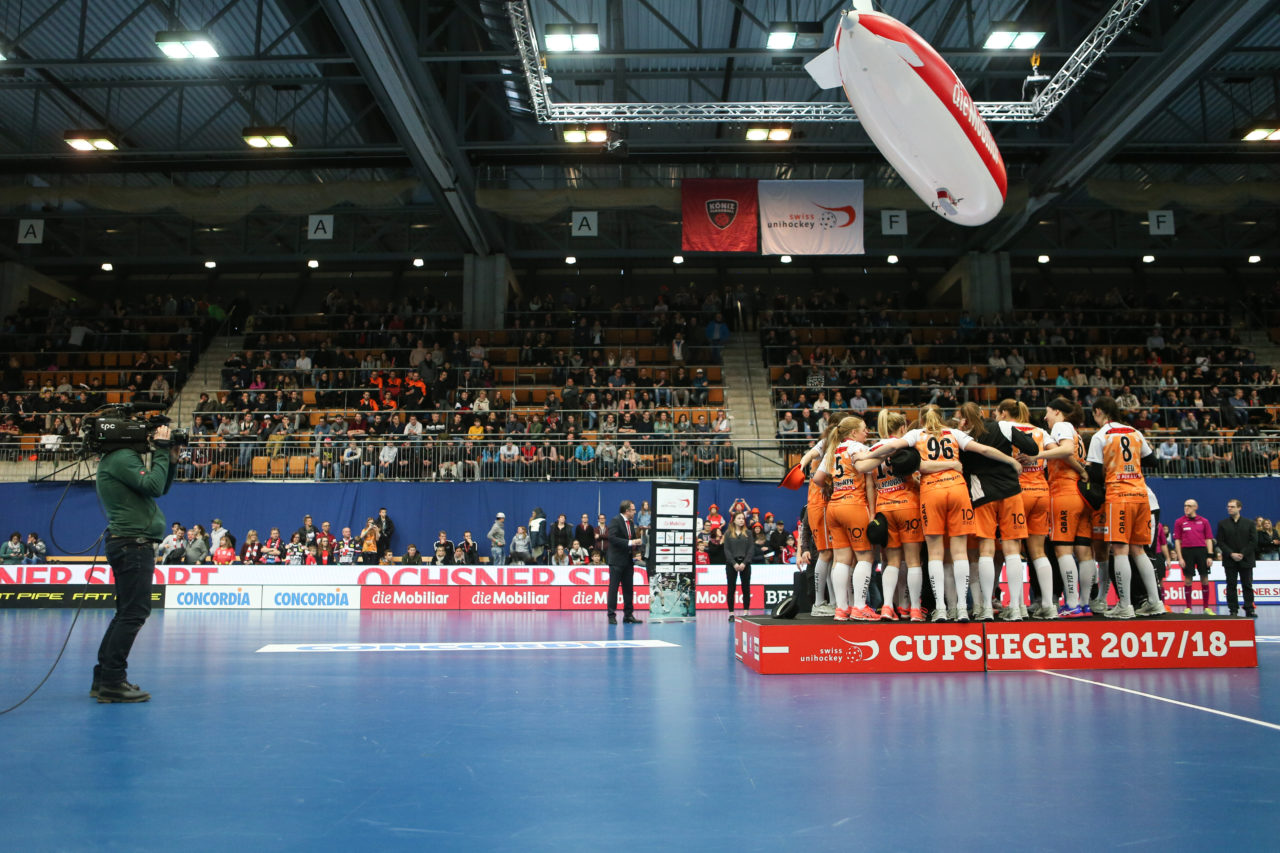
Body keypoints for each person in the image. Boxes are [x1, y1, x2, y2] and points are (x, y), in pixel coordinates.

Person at [92, 421, 177, 703]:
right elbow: (153, 485)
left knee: (125, 612)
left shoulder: (116, 458)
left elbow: (160, 487)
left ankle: (104, 677)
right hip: (133, 544)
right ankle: (113, 682)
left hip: (130, 543)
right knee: (134, 613)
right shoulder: (122, 457)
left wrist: (170, 459)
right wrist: (161, 451)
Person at [1086, 396, 1165, 618]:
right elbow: (1153, 462)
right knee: (1138, 549)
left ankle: (1125, 605)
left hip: (1118, 495)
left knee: (1119, 550)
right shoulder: (1134, 432)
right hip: (1140, 494)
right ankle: (1155, 602)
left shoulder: (1100, 435)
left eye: (1094, 414)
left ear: (1099, 411)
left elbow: (1094, 474)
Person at [1173, 498, 1215, 615]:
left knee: (1204, 579)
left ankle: (1206, 607)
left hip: (1201, 551)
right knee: (1187, 580)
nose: (1186, 508)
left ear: (1196, 507)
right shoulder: (1179, 522)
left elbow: (1208, 539)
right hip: (1187, 552)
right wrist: (1180, 558)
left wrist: (1210, 555)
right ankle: (1188, 607)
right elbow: (1177, 541)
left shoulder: (1204, 521)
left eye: (1189, 506)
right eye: (1185, 505)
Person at [1217, 499, 1257, 618]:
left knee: (1247, 585)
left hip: (1246, 559)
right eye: (1228, 507)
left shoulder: (1249, 523)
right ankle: (1233, 609)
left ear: (1239, 508)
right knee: (1231, 585)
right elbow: (1220, 542)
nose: (1229, 508)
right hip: (1230, 560)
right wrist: (1231, 554)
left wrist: (1243, 554)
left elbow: (1254, 541)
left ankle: (1249, 608)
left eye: (1232, 507)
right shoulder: (1222, 524)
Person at [606, 499, 644, 624]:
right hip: (616, 561)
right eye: (633, 510)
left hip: (628, 561)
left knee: (628, 589)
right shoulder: (615, 520)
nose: (635, 512)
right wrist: (630, 542)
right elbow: (611, 538)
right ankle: (611, 615)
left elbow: (631, 539)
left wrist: (636, 544)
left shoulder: (631, 523)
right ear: (627, 510)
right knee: (614, 589)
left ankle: (628, 615)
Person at [722, 511, 754, 621]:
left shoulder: (748, 533)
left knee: (746, 588)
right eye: (739, 518)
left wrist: (745, 562)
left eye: (742, 518)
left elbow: (751, 549)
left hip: (745, 563)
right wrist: (734, 563)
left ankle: (746, 612)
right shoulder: (728, 533)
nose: (741, 520)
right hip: (732, 564)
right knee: (731, 589)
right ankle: (731, 613)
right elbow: (726, 549)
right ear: (734, 520)